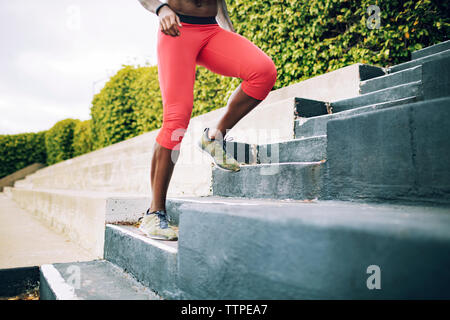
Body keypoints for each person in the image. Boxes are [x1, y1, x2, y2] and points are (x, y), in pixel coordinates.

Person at [137, 0, 277, 240]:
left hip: (212, 30)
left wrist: (231, 34)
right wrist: (161, 8)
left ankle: (214, 137)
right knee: (176, 119)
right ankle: (154, 212)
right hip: (176, 28)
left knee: (263, 72)